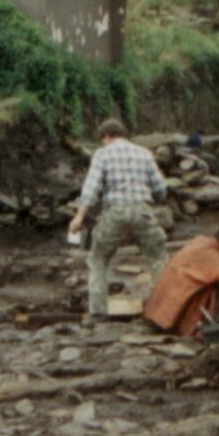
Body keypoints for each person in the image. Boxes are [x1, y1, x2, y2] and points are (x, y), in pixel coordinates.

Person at [68, 119, 171, 319]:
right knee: (158, 259)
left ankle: (98, 312)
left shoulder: (102, 154)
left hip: (114, 212)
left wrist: (79, 217)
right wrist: (155, 201)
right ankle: (167, 311)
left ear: (105, 137)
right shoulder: (144, 153)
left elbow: (91, 188)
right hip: (142, 210)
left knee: (98, 259)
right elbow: (160, 189)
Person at [143, 227, 219, 341]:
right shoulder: (218, 261)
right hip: (175, 309)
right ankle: (218, 320)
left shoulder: (200, 241)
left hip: (157, 307)